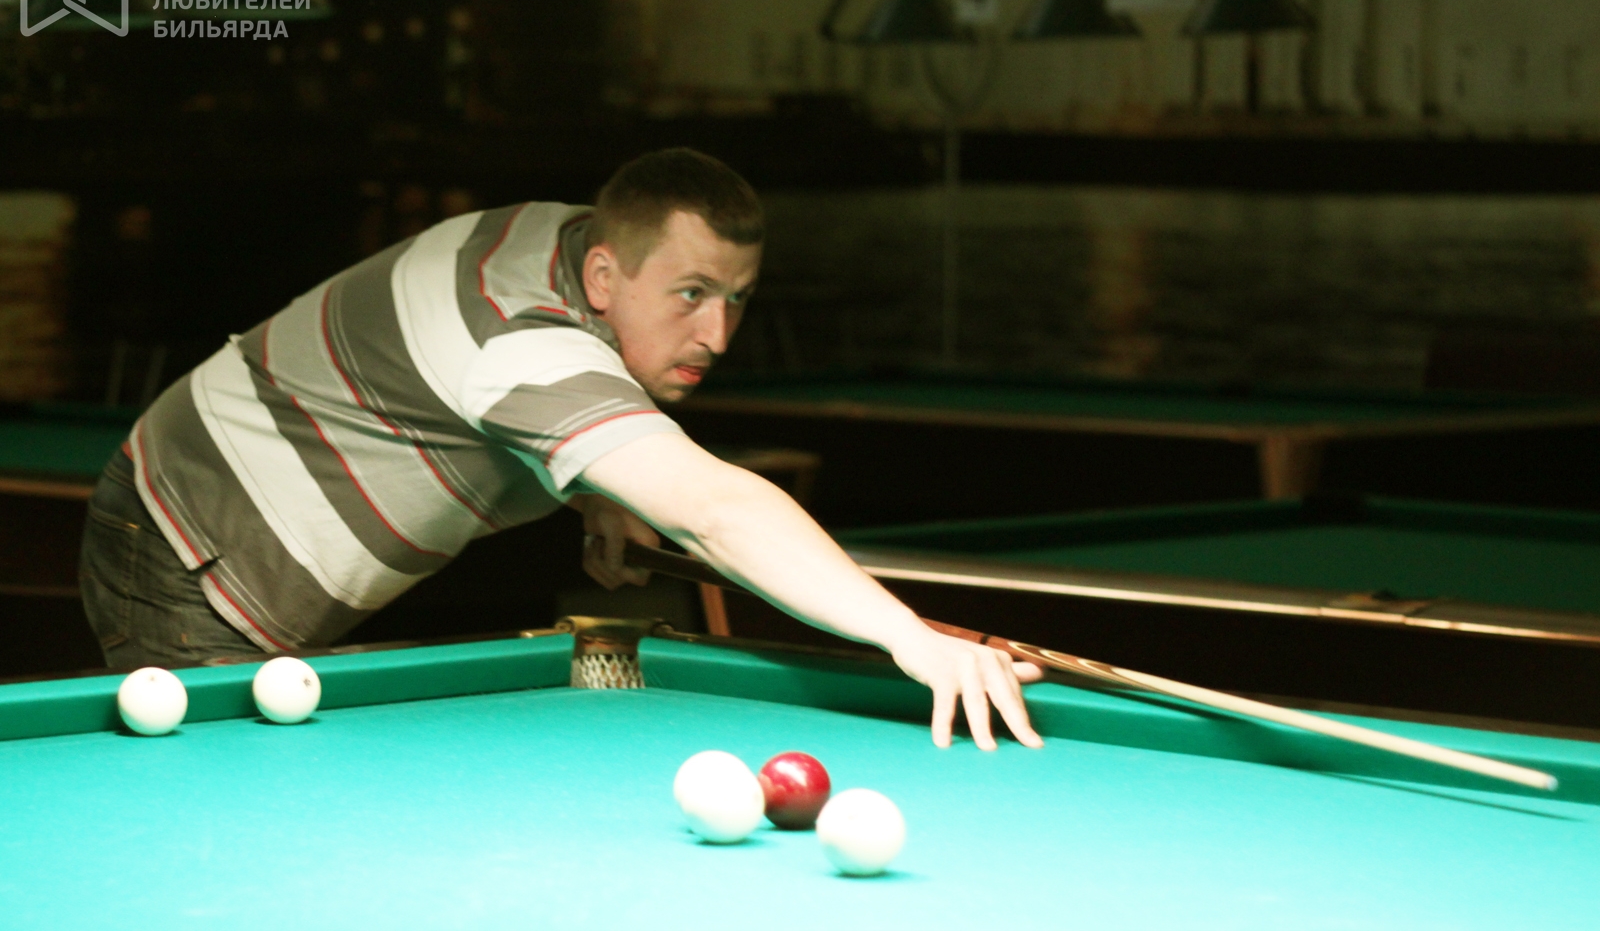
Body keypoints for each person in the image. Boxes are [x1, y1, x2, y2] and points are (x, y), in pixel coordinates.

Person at [78, 147, 1043, 751]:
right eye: (691, 295)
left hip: (216, 502)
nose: (717, 335)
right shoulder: (524, 344)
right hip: (184, 539)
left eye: (737, 298)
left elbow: (482, 396)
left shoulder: (563, 238)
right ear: (604, 274)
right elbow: (717, 509)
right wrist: (908, 638)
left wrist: (593, 488)